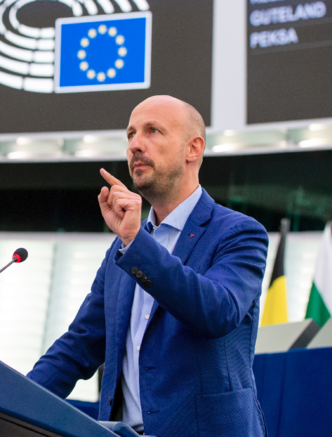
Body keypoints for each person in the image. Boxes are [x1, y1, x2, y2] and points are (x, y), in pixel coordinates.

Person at [27, 96, 269, 436]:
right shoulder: (124, 248)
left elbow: (217, 312)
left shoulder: (239, 233)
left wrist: (136, 243)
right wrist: (10, 403)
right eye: (130, 135)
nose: (136, 145)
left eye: (152, 131)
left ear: (193, 149)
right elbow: (80, 344)